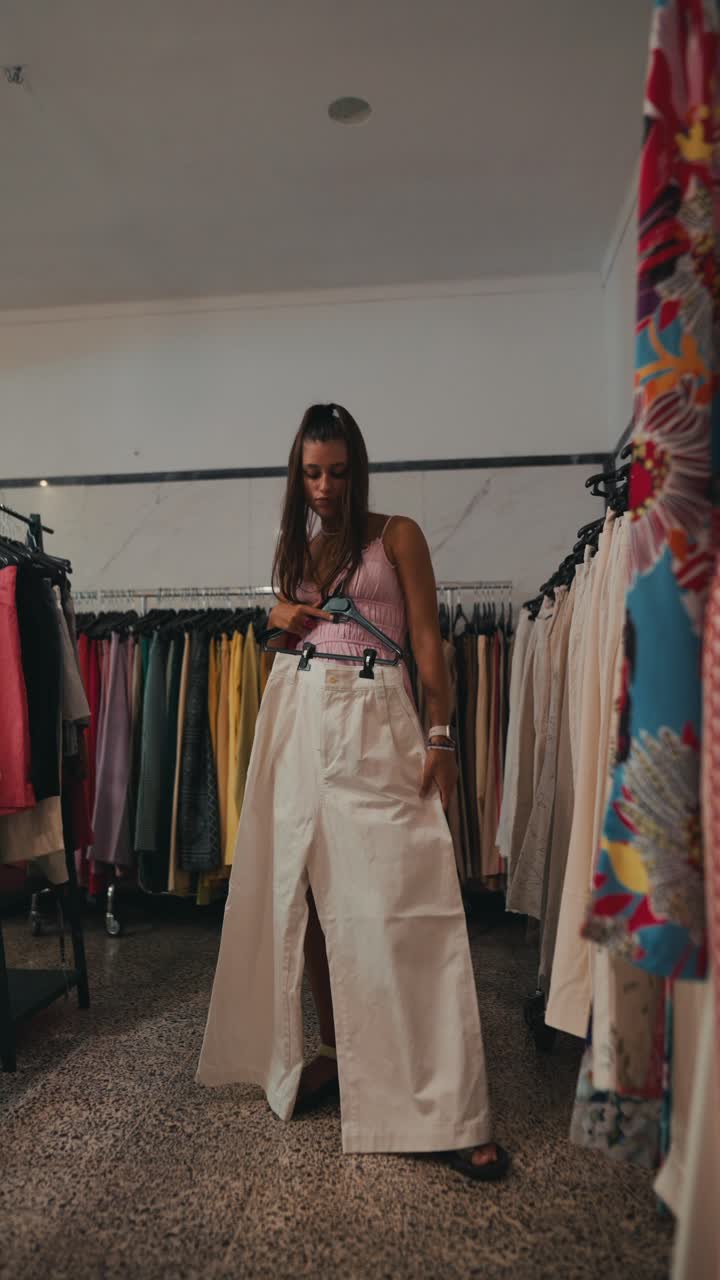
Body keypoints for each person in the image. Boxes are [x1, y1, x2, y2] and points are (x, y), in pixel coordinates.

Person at [196, 402, 509, 1181]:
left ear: (356, 467)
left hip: (376, 717)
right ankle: (335, 1052)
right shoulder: (298, 548)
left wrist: (442, 736)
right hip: (296, 711)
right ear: (296, 475)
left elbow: (429, 641)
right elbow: (284, 642)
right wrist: (276, 617)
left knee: (406, 907)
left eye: (337, 470)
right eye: (312, 472)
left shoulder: (395, 534)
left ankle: (449, 1107)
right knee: (299, 902)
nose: (326, 486)